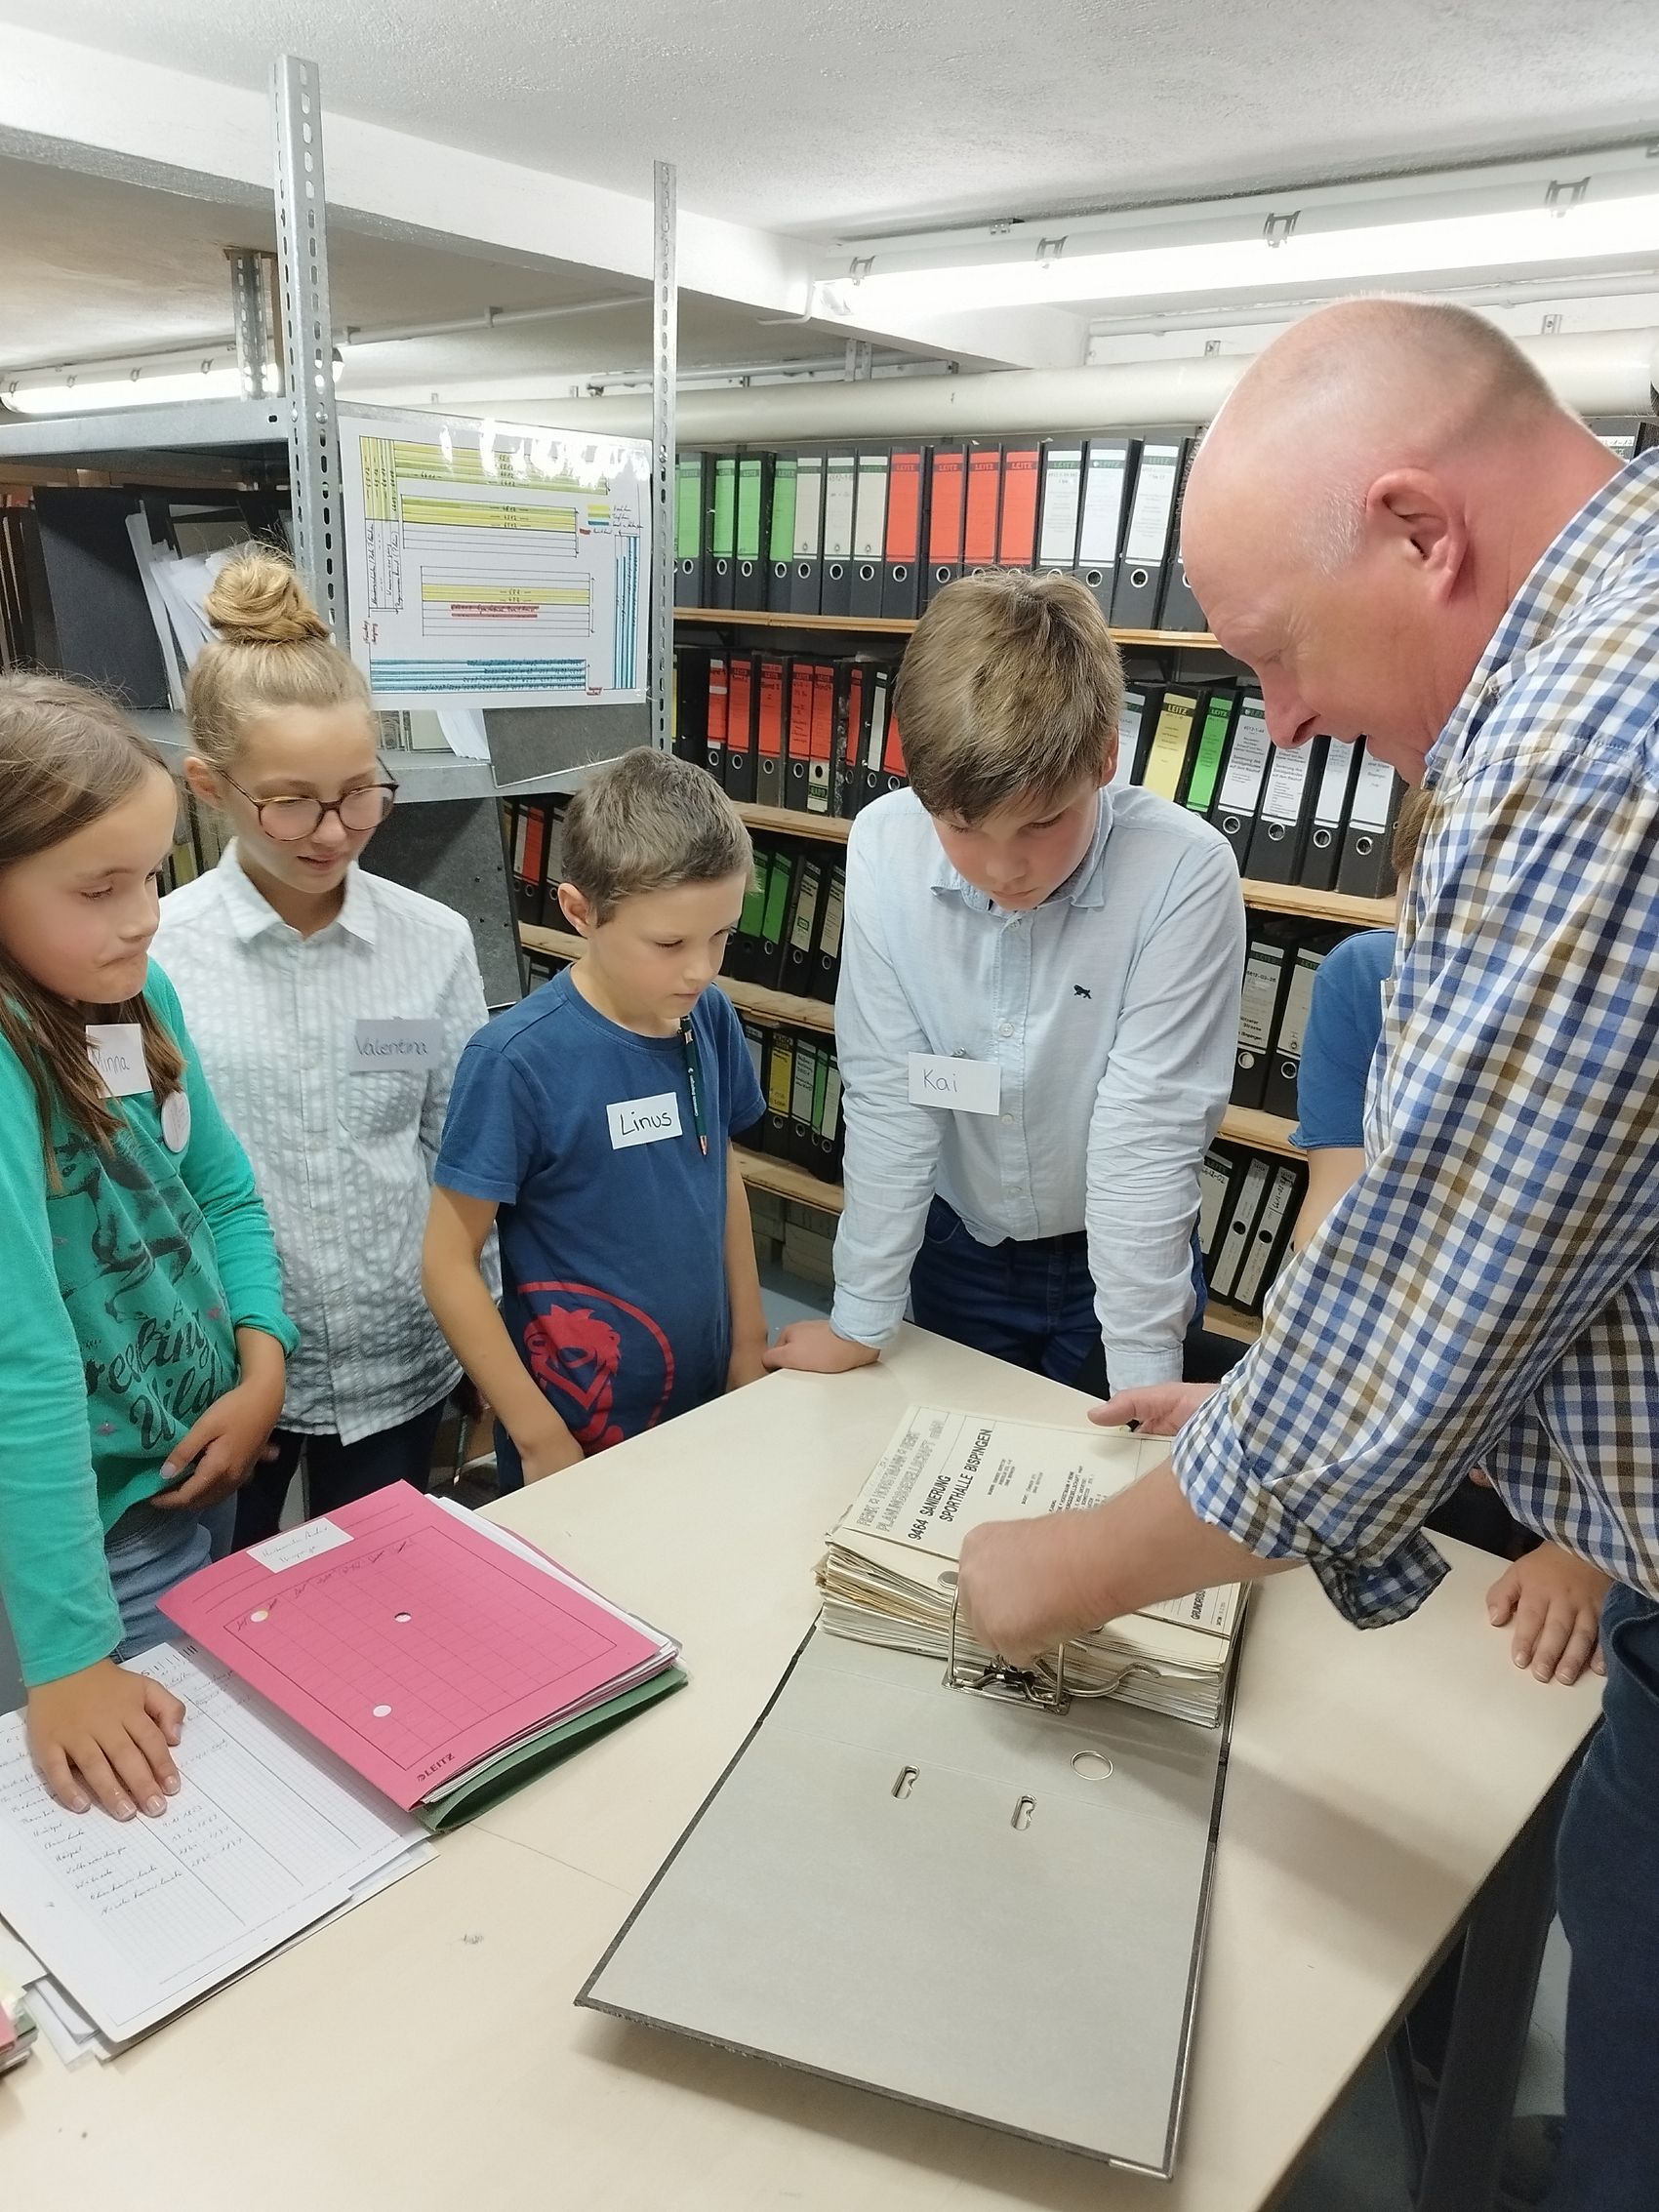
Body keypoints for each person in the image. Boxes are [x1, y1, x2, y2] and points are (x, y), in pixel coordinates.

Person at [955, 298, 1659, 2212]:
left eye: (1274, 653)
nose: (1280, 724)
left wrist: (1056, 1568)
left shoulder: (1595, 733)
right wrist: (1283, 1405)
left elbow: (1409, 1349)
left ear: (1421, 530)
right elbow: (1560, 1241)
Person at [765, 571, 1244, 1392]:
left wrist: (1140, 1381)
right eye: (961, 827)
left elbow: (1149, 1138)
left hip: (1120, 1261)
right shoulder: (884, 843)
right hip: (962, 1249)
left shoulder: (1184, 871)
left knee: (1108, 1485)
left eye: (1042, 821)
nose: (1002, 867)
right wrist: (862, 1314)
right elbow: (888, 1094)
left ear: (1104, 760)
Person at [0, 675, 296, 1820]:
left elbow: (218, 1186)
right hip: (97, 1524)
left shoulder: (134, 987)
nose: (144, 914)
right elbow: (20, 1364)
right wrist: (72, 1659)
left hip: (200, 1455)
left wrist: (262, 1358)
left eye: (152, 873)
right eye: (99, 886)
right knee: (161, 1791)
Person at [154, 551, 493, 1546]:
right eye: (292, 800)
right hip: (222, 1370)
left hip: (399, 1347)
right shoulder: (155, 960)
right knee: (225, 1618)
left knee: (383, 1605)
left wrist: (486, 1327)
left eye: (361, 792)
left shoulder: (433, 942)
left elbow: (460, 1158)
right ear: (210, 784)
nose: (336, 830)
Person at [423, 747, 768, 1484]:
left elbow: (722, 1178)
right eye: (669, 942)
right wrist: (536, 1430)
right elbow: (448, 1262)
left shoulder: (709, 1018)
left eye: (721, 935)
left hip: (705, 1409)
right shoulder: (515, 1062)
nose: (701, 968)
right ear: (580, 910)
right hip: (577, 1437)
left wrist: (750, 1341)